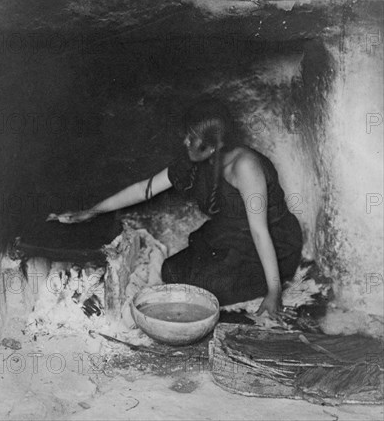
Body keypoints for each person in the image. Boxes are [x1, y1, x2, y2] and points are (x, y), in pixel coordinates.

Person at [48, 96, 303, 317]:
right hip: (231, 237)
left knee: (197, 288)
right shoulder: (196, 162)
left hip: (271, 245)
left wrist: (274, 292)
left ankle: (263, 282)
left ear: (213, 145)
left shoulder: (245, 167)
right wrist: (92, 211)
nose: (185, 142)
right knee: (172, 271)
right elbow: (144, 189)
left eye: (192, 138)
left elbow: (260, 231)